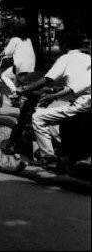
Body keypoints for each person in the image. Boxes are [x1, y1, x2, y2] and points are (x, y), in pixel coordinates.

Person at [29, 31, 91, 166]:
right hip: (79, 101)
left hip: (82, 103)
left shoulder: (65, 58)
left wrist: (27, 89)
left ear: (64, 45)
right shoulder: (88, 59)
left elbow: (50, 79)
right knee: (57, 112)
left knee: (38, 117)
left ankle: (47, 155)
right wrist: (56, 91)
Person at [0, 24, 36, 99]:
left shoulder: (14, 39)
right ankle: (17, 95)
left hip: (20, 65)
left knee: (4, 76)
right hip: (30, 65)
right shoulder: (28, 40)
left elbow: (6, 52)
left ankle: (16, 92)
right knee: (17, 82)